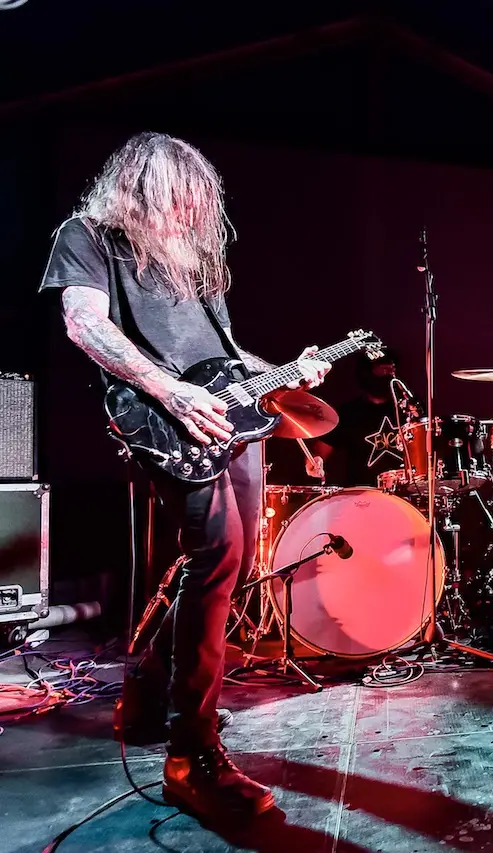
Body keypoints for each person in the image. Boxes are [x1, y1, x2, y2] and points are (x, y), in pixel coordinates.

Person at [39, 132, 330, 820]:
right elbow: (84, 323)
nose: (189, 212)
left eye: (198, 200)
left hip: (230, 419)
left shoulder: (194, 262)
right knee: (217, 553)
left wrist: (288, 369)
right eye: (179, 198)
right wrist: (170, 392)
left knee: (228, 562)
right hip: (164, 417)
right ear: (142, 187)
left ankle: (148, 688)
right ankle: (190, 751)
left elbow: (224, 355)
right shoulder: (89, 236)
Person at [311, 348, 418, 487]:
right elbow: (321, 450)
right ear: (366, 373)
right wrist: (316, 460)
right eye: (381, 370)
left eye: (390, 370)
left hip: (405, 491)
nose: (387, 375)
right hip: (362, 493)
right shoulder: (349, 412)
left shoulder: (409, 409)